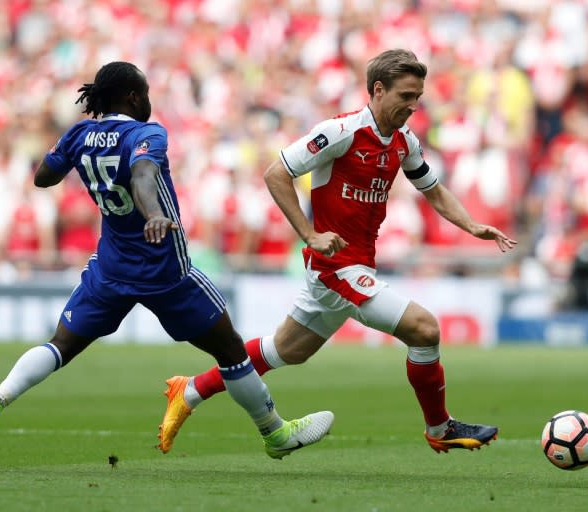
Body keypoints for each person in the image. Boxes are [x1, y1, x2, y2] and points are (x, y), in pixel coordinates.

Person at [0, 62, 334, 471]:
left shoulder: (80, 133)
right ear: (134, 97)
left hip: (110, 270)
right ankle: (275, 432)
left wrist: (69, 148)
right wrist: (153, 213)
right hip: (165, 271)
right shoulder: (147, 133)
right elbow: (143, 174)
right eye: (147, 92)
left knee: (59, 345)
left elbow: (44, 178)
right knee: (231, 351)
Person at [157, 49, 517, 455]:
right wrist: (309, 234)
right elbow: (277, 173)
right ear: (378, 90)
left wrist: (472, 226)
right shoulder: (341, 132)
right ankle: (440, 426)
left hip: (354, 263)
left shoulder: (404, 141)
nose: (414, 105)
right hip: (336, 266)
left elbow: (432, 189)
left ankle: (190, 391)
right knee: (425, 329)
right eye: (406, 95)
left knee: (286, 350)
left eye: (418, 96)